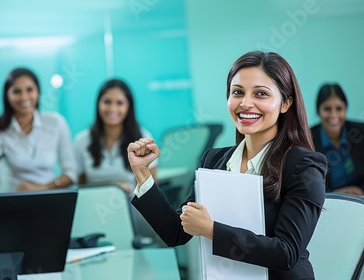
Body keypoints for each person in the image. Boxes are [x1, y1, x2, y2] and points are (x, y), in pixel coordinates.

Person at [127, 51, 327, 279]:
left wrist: (211, 230)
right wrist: (143, 174)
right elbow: (175, 233)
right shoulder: (214, 161)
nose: (246, 103)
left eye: (261, 94)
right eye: (237, 92)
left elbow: (286, 253)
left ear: (285, 103)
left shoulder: (304, 166)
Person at [0, 67, 77, 192]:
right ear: (7, 95)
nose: (24, 97)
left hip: (50, 197)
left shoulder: (56, 123)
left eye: (29, 89)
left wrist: (45, 187)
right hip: (14, 200)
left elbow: (71, 174)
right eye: (16, 91)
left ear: (38, 92)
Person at [73, 78, 158, 194]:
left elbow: (151, 188)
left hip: (131, 208)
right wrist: (112, 187)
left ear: (129, 106)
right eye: (107, 102)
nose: (112, 108)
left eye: (119, 103)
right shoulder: (81, 140)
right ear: (98, 104)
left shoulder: (142, 138)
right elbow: (81, 185)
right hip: (92, 207)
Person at [310, 83, 364, 196]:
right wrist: (334, 194)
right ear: (318, 111)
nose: (333, 115)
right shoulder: (307, 138)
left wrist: (360, 190)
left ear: (345, 109)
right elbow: (306, 186)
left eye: (339, 108)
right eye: (327, 109)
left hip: (363, 201)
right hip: (327, 205)